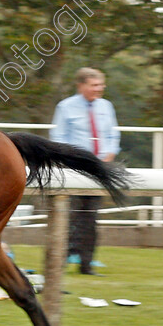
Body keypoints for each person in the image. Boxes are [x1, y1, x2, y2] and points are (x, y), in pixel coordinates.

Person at [50, 67, 120, 275]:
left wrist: (110, 154)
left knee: (91, 218)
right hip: (75, 169)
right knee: (68, 217)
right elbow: (58, 137)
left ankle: (86, 265)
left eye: (101, 85)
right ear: (81, 86)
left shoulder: (106, 106)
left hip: (98, 169)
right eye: (94, 85)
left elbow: (112, 135)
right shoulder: (65, 107)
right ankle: (59, 263)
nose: (99, 89)